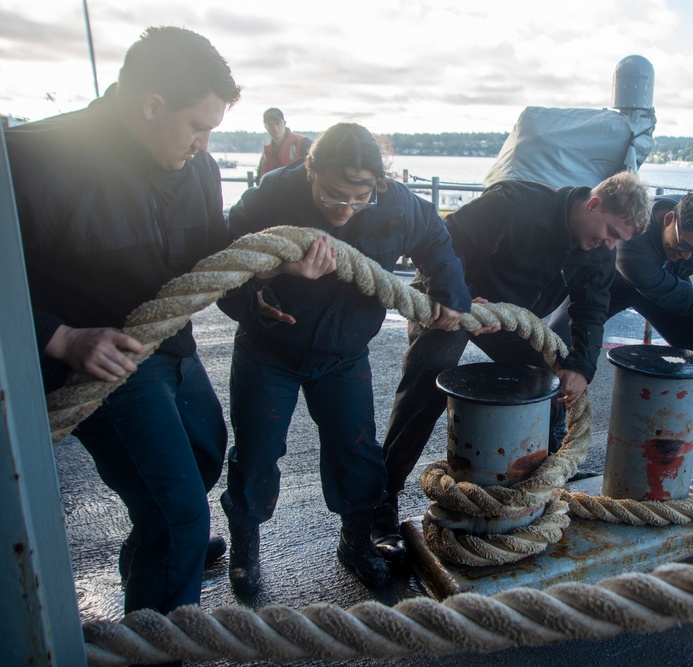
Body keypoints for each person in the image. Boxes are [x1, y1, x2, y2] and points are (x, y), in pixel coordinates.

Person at [7, 26, 241, 617]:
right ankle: (158, 642)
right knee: (179, 512)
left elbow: (213, 262)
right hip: (98, 364)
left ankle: (161, 551)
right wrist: (59, 336)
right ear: (150, 105)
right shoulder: (34, 161)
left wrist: (265, 287)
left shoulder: (200, 169)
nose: (205, 143)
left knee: (204, 460)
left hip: (172, 349)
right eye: (197, 126)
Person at [217, 122, 473, 592]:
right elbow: (223, 262)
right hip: (268, 347)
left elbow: (438, 242)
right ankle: (245, 547)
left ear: (378, 183)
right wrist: (256, 294)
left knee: (355, 451)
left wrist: (449, 291)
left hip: (344, 351)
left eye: (359, 199)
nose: (345, 209)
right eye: (333, 195)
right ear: (310, 171)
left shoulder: (395, 204)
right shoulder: (271, 195)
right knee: (256, 452)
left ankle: (355, 541)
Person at [376, 171, 652, 558]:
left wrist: (580, 367)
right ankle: (381, 498)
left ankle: (548, 478)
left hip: (511, 319)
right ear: (592, 204)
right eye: (609, 231)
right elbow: (444, 239)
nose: (610, 244)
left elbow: (591, 308)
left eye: (619, 240)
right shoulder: (515, 202)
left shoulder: (598, 250)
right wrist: (461, 296)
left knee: (553, 382)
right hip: (454, 300)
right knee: (426, 384)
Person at [549, 190, 693, 466]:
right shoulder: (634, 240)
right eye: (683, 245)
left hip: (666, 290)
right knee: (557, 342)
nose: (686, 256)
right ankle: (555, 449)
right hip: (614, 285)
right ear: (669, 219)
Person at [257, 107, 312, 183]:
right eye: (270, 125)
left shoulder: (303, 143)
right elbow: (259, 178)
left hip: (299, 191)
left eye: (278, 123)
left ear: (284, 123)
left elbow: (317, 169)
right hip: (273, 193)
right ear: (266, 127)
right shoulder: (267, 151)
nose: (275, 128)